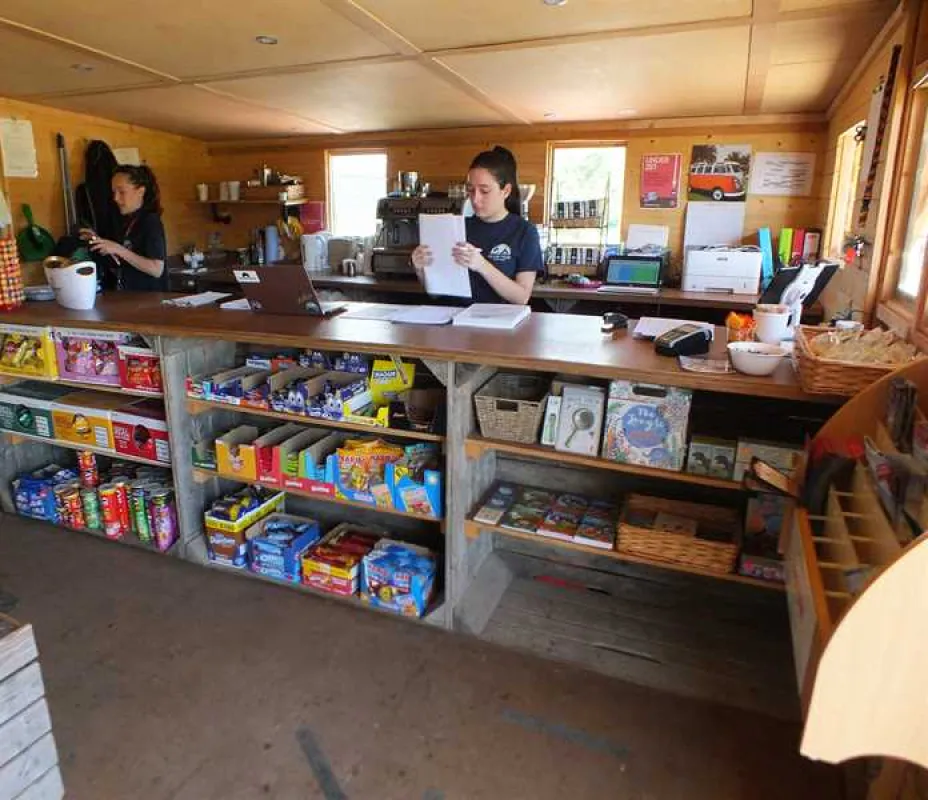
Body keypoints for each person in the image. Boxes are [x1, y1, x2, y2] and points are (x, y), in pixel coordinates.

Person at [411, 146, 542, 304]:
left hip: (499, 324)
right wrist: (420, 269)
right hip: (456, 321)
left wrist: (481, 265)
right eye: (471, 190)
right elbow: (437, 294)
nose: (475, 199)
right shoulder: (459, 228)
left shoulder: (524, 232)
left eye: (484, 191)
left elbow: (521, 297)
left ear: (506, 191)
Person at [80, 165, 168, 292]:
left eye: (121, 192)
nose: (115, 198)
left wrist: (118, 249)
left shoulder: (150, 222)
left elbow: (156, 269)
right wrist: (98, 241)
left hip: (150, 303)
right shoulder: (125, 220)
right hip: (130, 299)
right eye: (114, 192)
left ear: (141, 192)